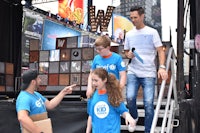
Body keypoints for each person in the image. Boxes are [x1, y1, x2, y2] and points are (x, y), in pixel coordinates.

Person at [124, 6, 168, 133]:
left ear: (142, 16)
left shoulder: (152, 32)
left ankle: (148, 130)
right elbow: (126, 51)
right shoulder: (130, 34)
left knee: (149, 104)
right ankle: (135, 117)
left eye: (135, 17)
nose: (133, 20)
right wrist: (128, 55)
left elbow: (160, 50)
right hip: (133, 70)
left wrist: (162, 67)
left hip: (148, 72)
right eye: (131, 17)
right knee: (130, 98)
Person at [86, 35, 127, 132]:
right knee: (94, 111)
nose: (98, 51)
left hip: (111, 91)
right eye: (97, 49)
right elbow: (91, 74)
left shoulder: (117, 58)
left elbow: (123, 75)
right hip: (99, 90)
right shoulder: (96, 59)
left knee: (112, 112)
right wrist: (89, 88)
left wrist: (119, 89)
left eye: (100, 49)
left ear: (108, 47)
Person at [86, 68, 136, 133]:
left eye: (96, 80)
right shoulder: (92, 96)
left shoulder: (113, 95)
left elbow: (123, 111)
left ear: (104, 80)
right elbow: (90, 116)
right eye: (92, 80)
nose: (93, 83)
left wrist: (128, 116)